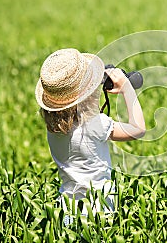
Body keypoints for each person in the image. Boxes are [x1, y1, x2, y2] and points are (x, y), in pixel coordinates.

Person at [35, 48, 145, 223]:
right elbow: (138, 129)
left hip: (66, 212)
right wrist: (127, 88)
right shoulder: (95, 125)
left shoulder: (53, 128)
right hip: (99, 213)